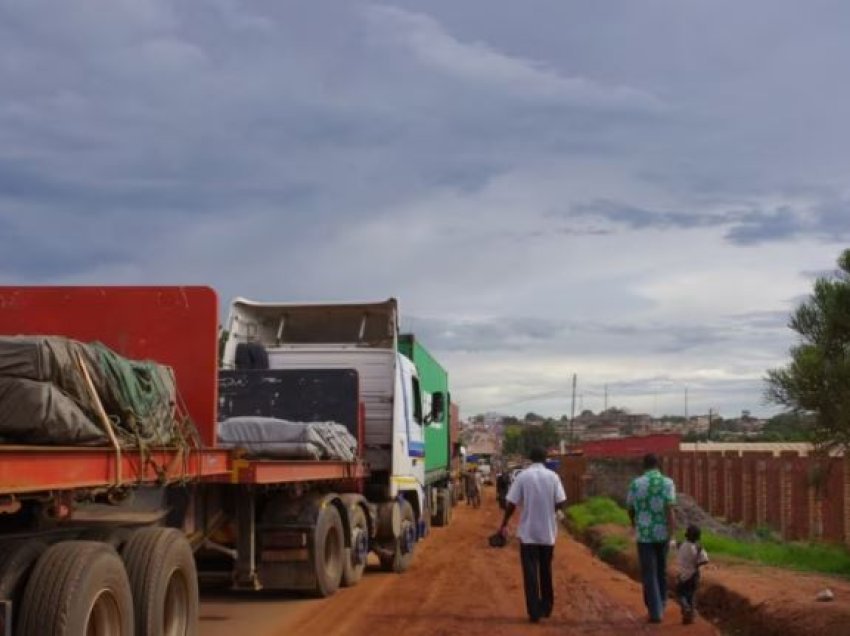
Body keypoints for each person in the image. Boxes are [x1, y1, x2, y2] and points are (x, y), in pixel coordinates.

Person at [499, 447, 567, 623]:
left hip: (528, 534)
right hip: (548, 533)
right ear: (545, 459)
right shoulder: (553, 477)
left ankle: (534, 611)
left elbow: (511, 503)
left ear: (530, 459)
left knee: (530, 574)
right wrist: (557, 512)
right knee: (546, 570)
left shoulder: (523, 476)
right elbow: (561, 501)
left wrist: (504, 523)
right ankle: (547, 606)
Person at [626, 453, 677, 624]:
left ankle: (654, 611)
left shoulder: (636, 484)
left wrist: (635, 524)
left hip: (644, 534)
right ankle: (661, 604)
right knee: (661, 570)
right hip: (662, 533)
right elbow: (670, 510)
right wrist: (672, 531)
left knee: (649, 572)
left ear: (644, 465)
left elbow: (630, 508)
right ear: (658, 465)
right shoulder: (668, 482)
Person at [676, 524, 709, 625]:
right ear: (698, 537)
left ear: (686, 535)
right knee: (692, 595)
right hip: (694, 575)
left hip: (682, 575)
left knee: (681, 594)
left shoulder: (681, 545)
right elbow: (705, 560)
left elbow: (671, 544)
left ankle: (685, 608)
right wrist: (696, 564)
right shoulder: (698, 548)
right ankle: (690, 616)